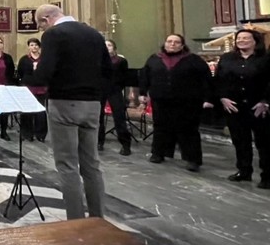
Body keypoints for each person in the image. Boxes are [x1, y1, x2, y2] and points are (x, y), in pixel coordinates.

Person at [34, 3, 111, 220]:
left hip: (64, 103)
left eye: (41, 26)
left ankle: (75, 221)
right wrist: (95, 94)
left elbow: (45, 72)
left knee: (67, 165)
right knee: (92, 164)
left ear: (46, 19)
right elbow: (107, 70)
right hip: (92, 105)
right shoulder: (94, 34)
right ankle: (98, 219)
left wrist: (33, 77)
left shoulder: (54, 35)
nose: (42, 31)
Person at [139, 34, 213, 172]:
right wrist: (143, 93)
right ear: (165, 43)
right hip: (161, 100)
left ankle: (192, 159)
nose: (172, 44)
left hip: (187, 101)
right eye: (169, 41)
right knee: (160, 127)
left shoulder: (193, 60)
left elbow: (206, 80)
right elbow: (145, 77)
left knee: (188, 130)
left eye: (176, 42)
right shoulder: (154, 59)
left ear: (182, 45)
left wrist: (208, 99)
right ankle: (158, 153)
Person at [214, 28, 270, 188]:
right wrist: (223, 98)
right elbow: (219, 80)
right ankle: (244, 171)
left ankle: (267, 175)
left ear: (255, 41)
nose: (241, 41)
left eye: (246, 38)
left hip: (259, 106)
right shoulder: (227, 58)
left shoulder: (265, 58)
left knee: (264, 143)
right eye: (239, 38)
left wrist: (266, 101)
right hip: (234, 106)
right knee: (240, 141)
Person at [98, 39, 131, 155]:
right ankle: (99, 142)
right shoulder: (97, 60)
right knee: (98, 118)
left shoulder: (120, 61)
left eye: (110, 45)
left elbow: (124, 77)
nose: (107, 47)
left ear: (114, 48)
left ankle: (125, 144)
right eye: (105, 45)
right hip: (100, 90)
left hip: (115, 90)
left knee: (119, 117)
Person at [16, 38, 48, 142]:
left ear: (39, 47)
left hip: (41, 88)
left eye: (35, 45)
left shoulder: (44, 59)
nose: (33, 47)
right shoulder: (24, 59)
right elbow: (20, 72)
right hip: (28, 88)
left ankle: (40, 134)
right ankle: (27, 133)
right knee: (27, 112)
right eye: (31, 45)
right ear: (28, 47)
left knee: (40, 112)